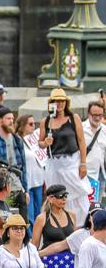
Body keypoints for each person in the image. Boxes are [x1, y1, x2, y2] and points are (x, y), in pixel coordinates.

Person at [41, 88, 89, 228]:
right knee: (56, 197)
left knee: (77, 195)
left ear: (66, 102)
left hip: (72, 163)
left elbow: (81, 141)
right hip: (54, 165)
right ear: (52, 103)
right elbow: (40, 143)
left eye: (62, 100)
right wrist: (45, 143)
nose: (59, 103)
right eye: (56, 101)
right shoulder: (46, 121)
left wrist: (83, 163)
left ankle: (81, 227)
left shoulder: (73, 118)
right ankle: (58, 227)